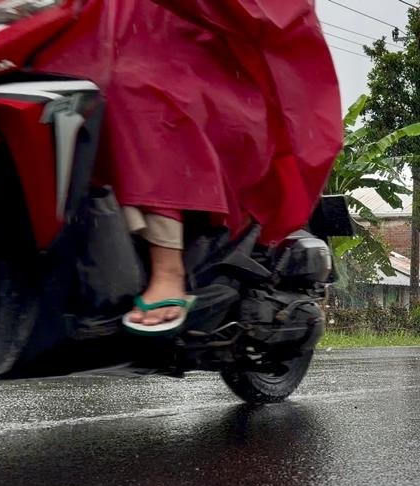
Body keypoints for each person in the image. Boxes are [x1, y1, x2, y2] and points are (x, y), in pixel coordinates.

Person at [39, 0, 343, 335]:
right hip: (121, 48)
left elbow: (266, 12)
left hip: (224, 75)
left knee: (137, 89)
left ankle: (167, 267)